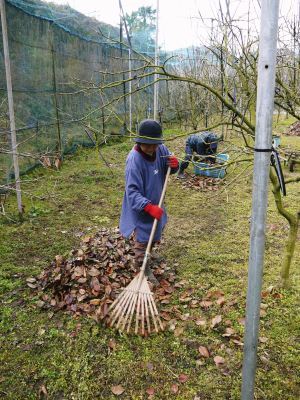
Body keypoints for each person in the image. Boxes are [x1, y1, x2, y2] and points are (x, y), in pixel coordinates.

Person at [119, 119, 179, 285]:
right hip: (141, 208)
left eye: (155, 145)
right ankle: (142, 267)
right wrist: (147, 206)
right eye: (148, 145)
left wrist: (175, 165)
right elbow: (132, 192)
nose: (152, 149)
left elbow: (170, 166)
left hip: (157, 202)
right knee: (142, 238)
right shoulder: (134, 161)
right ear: (140, 142)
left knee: (155, 232)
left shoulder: (160, 149)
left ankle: (148, 254)